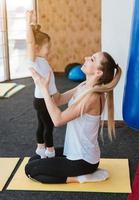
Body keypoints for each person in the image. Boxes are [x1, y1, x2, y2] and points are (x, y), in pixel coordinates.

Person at [25, 51, 122, 184]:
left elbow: (58, 120)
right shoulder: (84, 86)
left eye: (92, 59)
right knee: (35, 159)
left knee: (31, 170)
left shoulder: (93, 97)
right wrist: (47, 81)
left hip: (83, 161)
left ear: (98, 72)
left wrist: (44, 89)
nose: (86, 57)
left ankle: (80, 178)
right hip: (72, 151)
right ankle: (80, 173)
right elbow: (58, 99)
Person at [26, 10, 82, 158]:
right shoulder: (34, 61)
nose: (49, 50)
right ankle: (50, 151)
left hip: (44, 98)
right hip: (43, 100)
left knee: (42, 124)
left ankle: (40, 148)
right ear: (37, 48)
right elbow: (30, 42)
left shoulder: (42, 61)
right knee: (49, 125)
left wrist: (56, 95)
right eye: (47, 47)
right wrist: (27, 22)